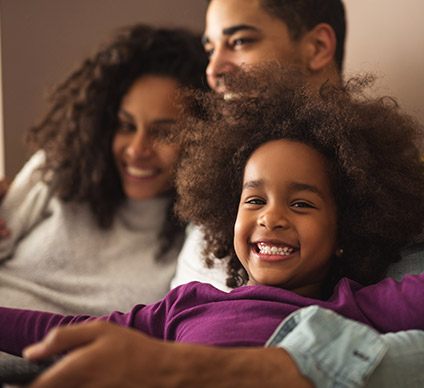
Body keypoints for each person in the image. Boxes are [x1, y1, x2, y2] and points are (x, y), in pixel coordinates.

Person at [13, 1, 424, 386]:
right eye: (254, 200)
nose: (213, 70)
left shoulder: (356, 288)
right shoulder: (190, 292)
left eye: (241, 40)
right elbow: (73, 332)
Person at [0, 24, 208, 315]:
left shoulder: (200, 239)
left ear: (204, 139)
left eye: (164, 133)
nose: (137, 149)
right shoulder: (59, 171)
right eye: (126, 126)